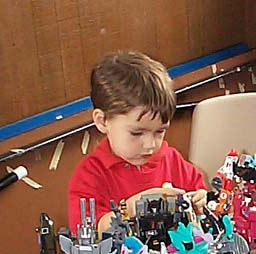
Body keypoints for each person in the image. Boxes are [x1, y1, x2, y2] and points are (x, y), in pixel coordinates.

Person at [67, 50, 207, 234]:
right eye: (136, 133)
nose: (150, 145)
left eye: (159, 131)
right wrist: (135, 207)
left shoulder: (172, 160)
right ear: (102, 121)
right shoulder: (90, 176)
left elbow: (200, 195)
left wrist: (200, 201)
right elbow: (89, 233)